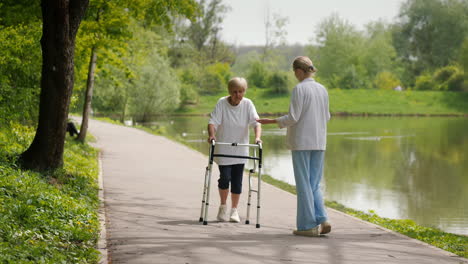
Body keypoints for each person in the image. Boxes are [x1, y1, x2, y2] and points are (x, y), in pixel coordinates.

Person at [257, 56, 331, 237]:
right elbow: (327, 116)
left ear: (298, 71)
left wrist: (272, 121)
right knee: (313, 183)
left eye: (294, 72)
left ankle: (307, 226)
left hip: (301, 143)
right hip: (319, 142)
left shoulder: (299, 89)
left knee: (304, 184)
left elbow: (293, 117)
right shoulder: (322, 89)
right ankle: (322, 218)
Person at [207, 77, 262, 223]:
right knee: (225, 178)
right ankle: (223, 206)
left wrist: (257, 138)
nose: (238, 95)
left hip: (241, 150)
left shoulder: (248, 104)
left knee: (237, 182)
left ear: (245, 91)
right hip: (224, 149)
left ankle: (234, 210)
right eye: (235, 92)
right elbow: (213, 122)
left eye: (241, 91)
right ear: (229, 91)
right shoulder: (221, 103)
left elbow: (256, 123)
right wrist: (212, 135)